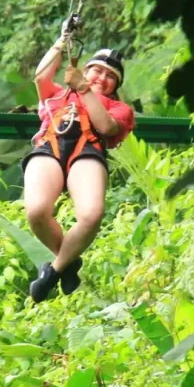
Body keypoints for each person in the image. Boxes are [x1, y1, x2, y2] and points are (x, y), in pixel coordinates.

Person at [22, 24, 135, 302]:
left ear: (116, 87)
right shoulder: (58, 94)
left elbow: (106, 127)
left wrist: (84, 89)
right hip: (50, 145)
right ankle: (69, 262)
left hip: (87, 151)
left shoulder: (119, 109)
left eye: (111, 76)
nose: (102, 78)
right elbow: (40, 77)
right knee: (36, 211)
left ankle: (54, 270)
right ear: (85, 69)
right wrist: (62, 40)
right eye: (98, 70)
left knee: (91, 215)